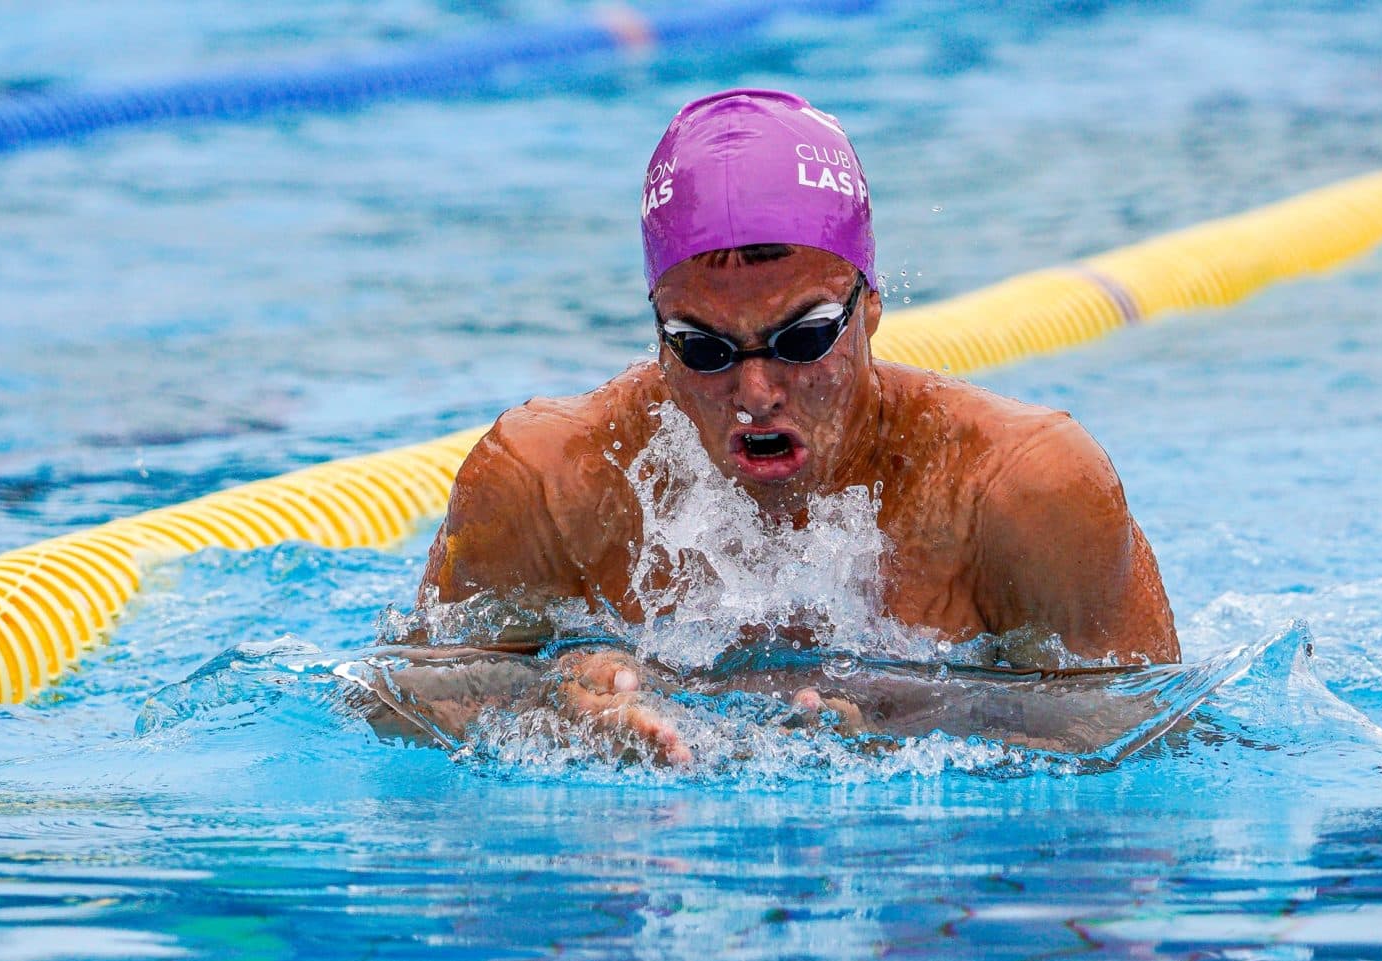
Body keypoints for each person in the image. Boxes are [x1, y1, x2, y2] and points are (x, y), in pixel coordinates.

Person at [380, 89, 1178, 764]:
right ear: (657, 333)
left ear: (871, 308)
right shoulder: (547, 482)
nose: (755, 391)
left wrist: (909, 724)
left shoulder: (1016, 488)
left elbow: (1156, 736)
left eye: (802, 339)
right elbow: (391, 704)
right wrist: (551, 711)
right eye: (704, 348)